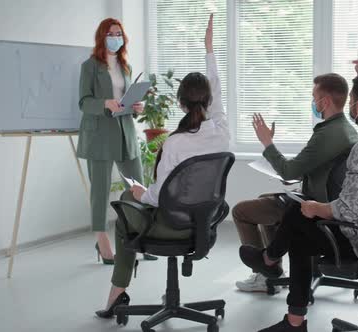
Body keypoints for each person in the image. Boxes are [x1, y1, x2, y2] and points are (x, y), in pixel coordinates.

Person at [240, 61, 358, 331]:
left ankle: (286, 300)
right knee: (298, 223)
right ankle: (283, 293)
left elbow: (347, 211)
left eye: (353, 102)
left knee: (298, 218)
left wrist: (315, 208)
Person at [95, 14, 230, 318]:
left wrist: (141, 191)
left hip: (171, 225)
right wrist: (209, 48)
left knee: (125, 210)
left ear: (180, 104)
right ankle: (123, 292)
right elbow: (217, 87)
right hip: (203, 222)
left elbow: (158, 198)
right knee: (136, 200)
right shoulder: (222, 130)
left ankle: (117, 292)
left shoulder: (175, 143)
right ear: (209, 101)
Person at [233, 73, 358, 293]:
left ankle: (265, 273)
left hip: (315, 205)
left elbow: (289, 171)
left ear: (325, 101)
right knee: (266, 199)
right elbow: (322, 169)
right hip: (326, 198)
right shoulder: (346, 129)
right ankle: (274, 267)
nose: (313, 102)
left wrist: (267, 142)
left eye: (314, 97)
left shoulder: (328, 133)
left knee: (242, 211)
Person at [77, 18, 156, 264]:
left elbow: (126, 101)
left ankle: (142, 237)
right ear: (102, 36)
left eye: (119, 33)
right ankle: (102, 241)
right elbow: (84, 102)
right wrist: (104, 103)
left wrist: (137, 107)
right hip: (99, 135)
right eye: (111, 33)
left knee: (138, 188)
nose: (116, 37)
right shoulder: (89, 66)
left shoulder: (126, 66)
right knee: (99, 193)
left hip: (125, 133)